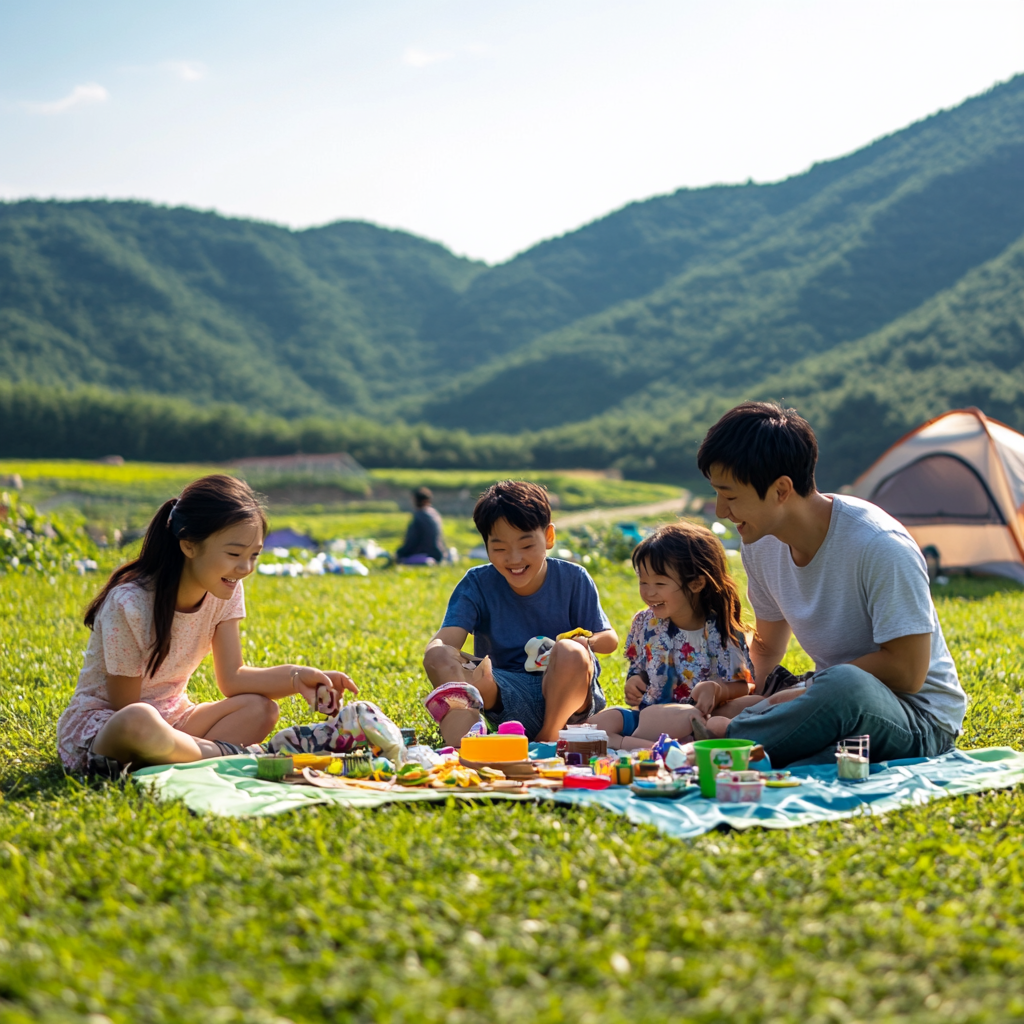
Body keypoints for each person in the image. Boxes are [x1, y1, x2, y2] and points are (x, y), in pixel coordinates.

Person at [694, 402, 966, 767]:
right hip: (831, 701)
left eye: (729, 496)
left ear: (780, 490)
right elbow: (767, 647)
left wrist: (805, 691)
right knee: (799, 728)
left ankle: (721, 747)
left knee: (843, 685)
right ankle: (754, 744)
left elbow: (908, 672)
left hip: (917, 717)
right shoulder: (760, 543)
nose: (721, 510)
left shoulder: (878, 544)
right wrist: (731, 692)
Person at [56, 475, 358, 775]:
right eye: (234, 554)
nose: (245, 568)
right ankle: (228, 755)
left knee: (261, 709)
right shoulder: (129, 603)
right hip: (110, 728)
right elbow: (125, 707)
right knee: (140, 719)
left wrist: (297, 678)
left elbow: (234, 678)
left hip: (175, 720)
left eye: (254, 555)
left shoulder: (225, 590)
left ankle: (183, 757)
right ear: (189, 546)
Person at [423, 480, 618, 743]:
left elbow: (609, 639)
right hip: (505, 694)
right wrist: (440, 655)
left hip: (570, 697)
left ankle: (548, 738)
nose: (514, 559)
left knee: (570, 651)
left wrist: (586, 642)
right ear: (486, 545)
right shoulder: (477, 583)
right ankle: (463, 746)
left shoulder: (573, 578)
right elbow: (447, 641)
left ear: (548, 537)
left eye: (526, 546)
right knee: (439, 655)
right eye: (500, 549)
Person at [585, 522, 754, 749]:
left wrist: (717, 688)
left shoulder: (722, 629)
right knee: (596, 725)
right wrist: (636, 680)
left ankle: (641, 746)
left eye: (659, 583)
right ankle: (660, 748)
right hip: (652, 717)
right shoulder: (645, 623)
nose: (648, 591)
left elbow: (743, 685)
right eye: (642, 581)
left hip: (701, 718)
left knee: (723, 723)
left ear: (696, 583)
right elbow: (639, 667)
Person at [396, 487, 446, 564]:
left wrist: (399, 553)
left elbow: (412, 541)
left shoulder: (419, 517)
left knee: (401, 559)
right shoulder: (435, 514)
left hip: (425, 554)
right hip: (438, 554)